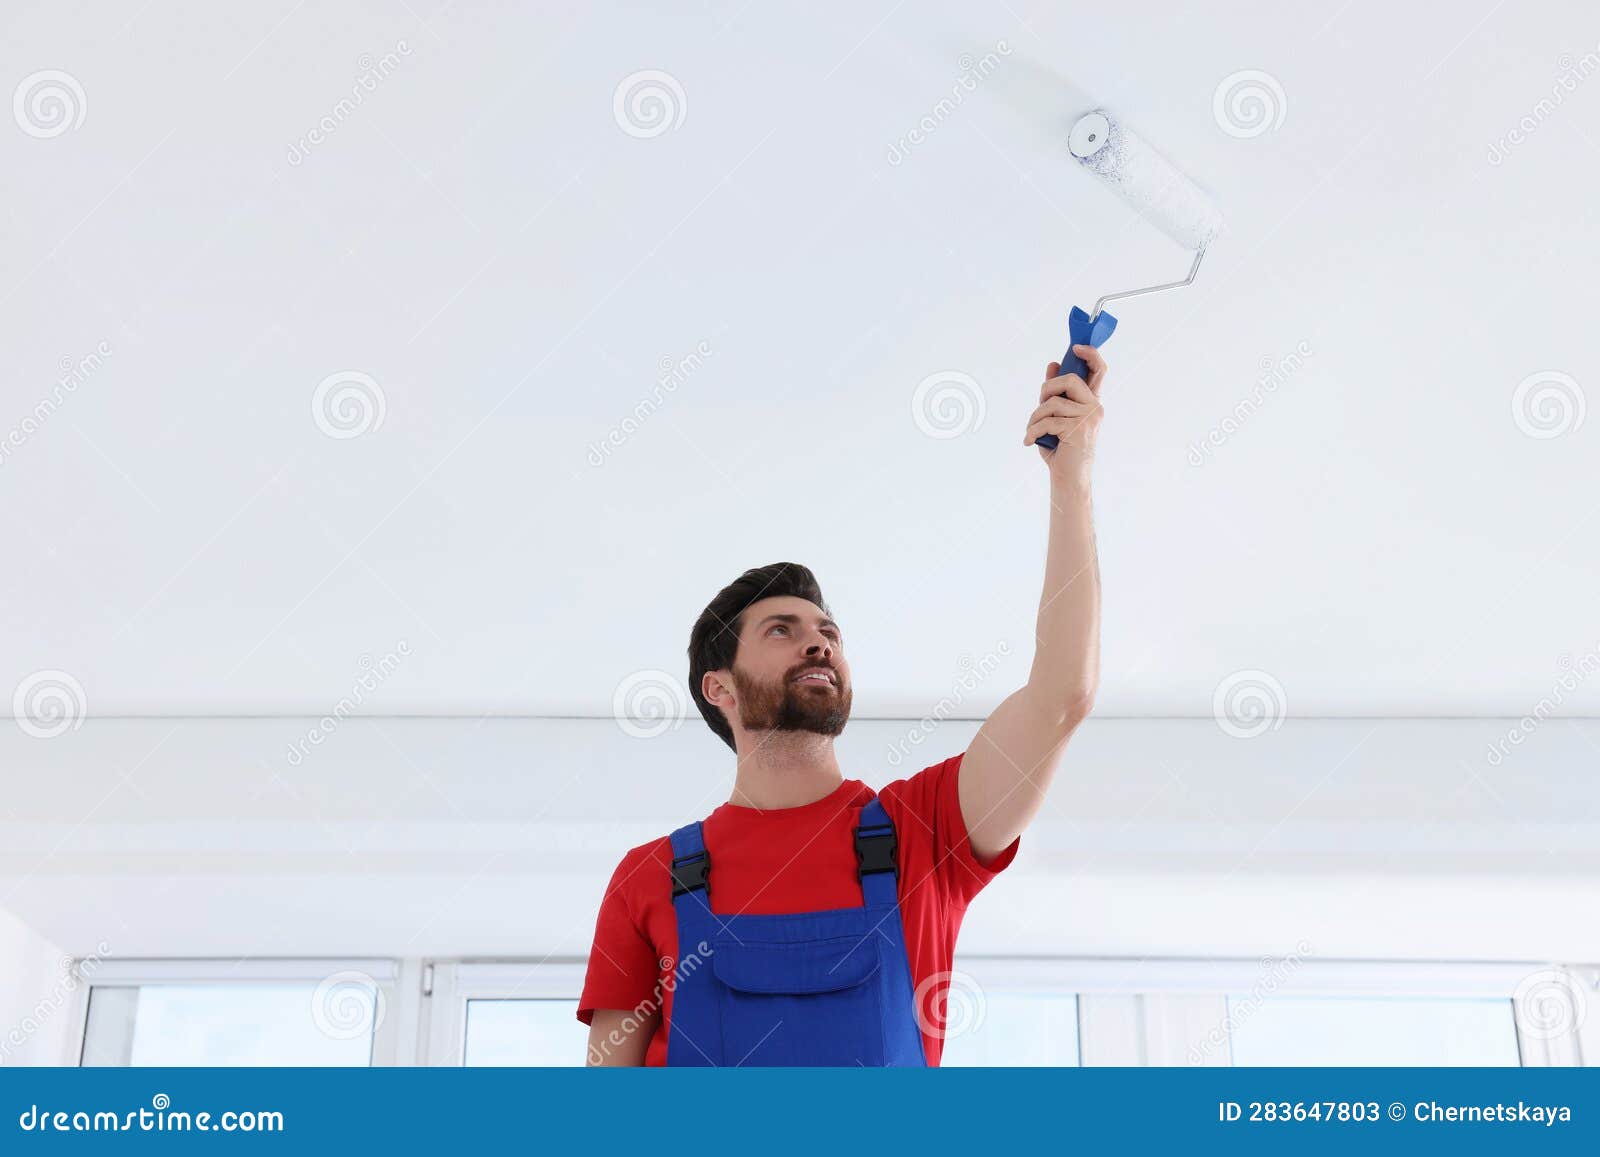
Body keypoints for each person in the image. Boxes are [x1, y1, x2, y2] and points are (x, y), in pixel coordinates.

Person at [578, 348, 1110, 1065]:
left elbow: (1061, 696)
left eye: (828, 632)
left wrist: (1071, 477)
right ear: (720, 686)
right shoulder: (650, 878)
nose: (818, 644)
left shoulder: (927, 831)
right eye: (782, 631)